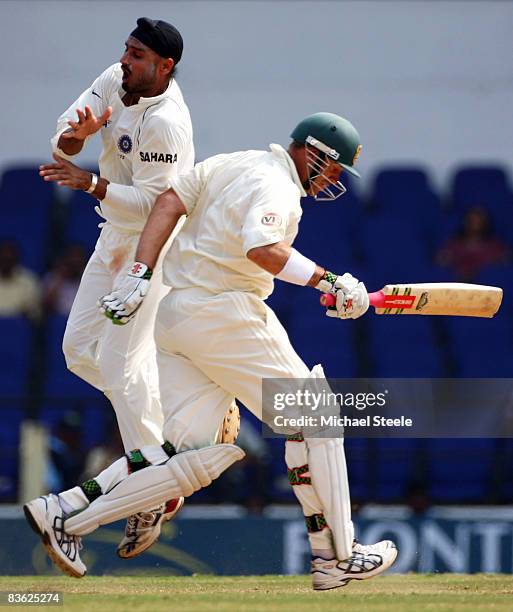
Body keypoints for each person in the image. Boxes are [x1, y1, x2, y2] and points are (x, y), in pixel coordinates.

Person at [25, 112, 397, 589]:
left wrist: (142, 271)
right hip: (224, 312)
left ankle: (66, 514)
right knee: (317, 414)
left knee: (182, 455)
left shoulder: (230, 163)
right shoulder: (277, 186)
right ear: (313, 152)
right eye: (333, 168)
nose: (333, 179)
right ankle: (338, 554)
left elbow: (167, 202)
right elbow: (262, 248)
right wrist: (331, 281)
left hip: (175, 313)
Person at [37, 17, 195, 559]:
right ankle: (161, 457)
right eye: (126, 51)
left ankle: (151, 487)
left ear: (164, 65)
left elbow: (159, 205)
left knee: (124, 371)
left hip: (153, 247)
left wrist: (92, 182)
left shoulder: (168, 123)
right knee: (78, 352)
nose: (125, 61)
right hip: (114, 239)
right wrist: (74, 138)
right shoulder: (114, 79)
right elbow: (62, 139)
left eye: (137, 55)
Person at [436, 206, 510, 281]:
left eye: (478, 221)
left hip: (487, 285)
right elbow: (441, 260)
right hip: (458, 284)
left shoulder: (494, 247)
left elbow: (503, 262)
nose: (474, 225)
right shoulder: (454, 245)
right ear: (465, 222)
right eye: (471, 221)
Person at [0, 240, 42, 321]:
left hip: (19, 328)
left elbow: (35, 313)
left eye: (9, 259)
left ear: (16, 259)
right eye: (4, 258)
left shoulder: (29, 281)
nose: (6, 261)